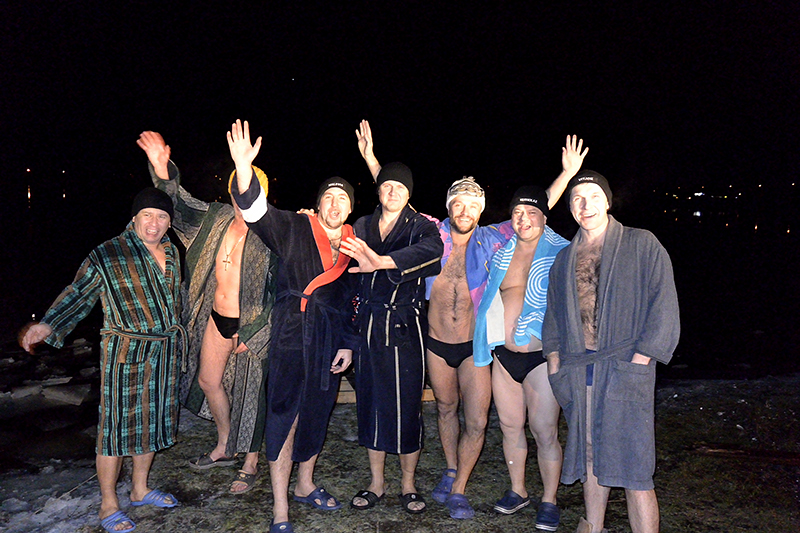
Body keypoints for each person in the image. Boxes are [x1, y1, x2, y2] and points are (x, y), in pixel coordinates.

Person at [356, 120, 587, 518]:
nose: (464, 211)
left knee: (477, 420)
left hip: (474, 346)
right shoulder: (430, 234)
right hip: (435, 343)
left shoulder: (493, 237)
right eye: (457, 204)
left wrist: (565, 175)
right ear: (449, 207)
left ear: (480, 210)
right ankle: (450, 470)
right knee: (446, 409)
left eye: (472, 205)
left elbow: (533, 212)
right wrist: (372, 161)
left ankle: (460, 487)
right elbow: (397, 198)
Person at [21, 187, 183, 533]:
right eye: (147, 215)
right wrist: (48, 324)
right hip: (125, 353)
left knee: (150, 423)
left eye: (162, 217)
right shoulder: (109, 253)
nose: (154, 223)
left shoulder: (171, 252)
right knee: (114, 430)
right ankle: (108, 503)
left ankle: (140, 490)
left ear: (169, 223)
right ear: (134, 218)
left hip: (163, 352)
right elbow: (79, 293)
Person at [228, 119, 358, 533]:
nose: (335, 204)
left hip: (327, 341)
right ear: (317, 205)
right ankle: (280, 507)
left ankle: (305, 484)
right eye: (328, 197)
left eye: (342, 198)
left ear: (349, 209)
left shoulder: (354, 245)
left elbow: (350, 301)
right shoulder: (295, 227)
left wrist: (348, 343)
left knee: (317, 412)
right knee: (284, 414)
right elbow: (256, 213)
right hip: (290, 334)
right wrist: (244, 168)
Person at [137, 131, 277, 494]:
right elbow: (179, 206)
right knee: (208, 381)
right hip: (216, 317)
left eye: (250, 190)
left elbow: (285, 289)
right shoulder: (215, 218)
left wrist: (257, 331)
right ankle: (226, 443)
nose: (242, 197)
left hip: (253, 325)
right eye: (237, 189)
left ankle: (250, 462)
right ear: (230, 191)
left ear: (261, 194)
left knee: (250, 394)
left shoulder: (274, 231)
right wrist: (162, 168)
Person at [542, 170, 680, 533]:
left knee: (635, 464)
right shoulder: (564, 258)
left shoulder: (641, 244)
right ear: (571, 207)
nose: (585, 205)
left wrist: (642, 359)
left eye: (593, 197)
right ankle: (593, 526)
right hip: (578, 368)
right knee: (589, 452)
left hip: (624, 364)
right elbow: (552, 316)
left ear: (607, 201)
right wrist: (554, 363)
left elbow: (664, 304)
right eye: (577, 199)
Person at [340, 161, 443, 515]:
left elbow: (433, 253)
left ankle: (408, 484)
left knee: (407, 406)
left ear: (409, 194)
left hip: (404, 326)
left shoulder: (421, 227)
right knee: (371, 404)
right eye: (386, 186)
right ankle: (376, 483)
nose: (393, 191)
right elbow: (346, 271)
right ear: (378, 190)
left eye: (400, 187)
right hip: (368, 324)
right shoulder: (362, 225)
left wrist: (382, 261)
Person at [473, 186, 570, 530]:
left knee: (544, 430)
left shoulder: (563, 252)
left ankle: (549, 499)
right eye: (517, 212)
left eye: (531, 212)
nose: (523, 218)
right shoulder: (501, 253)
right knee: (510, 426)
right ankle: (518, 490)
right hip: (504, 356)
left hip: (542, 357)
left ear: (544, 217)